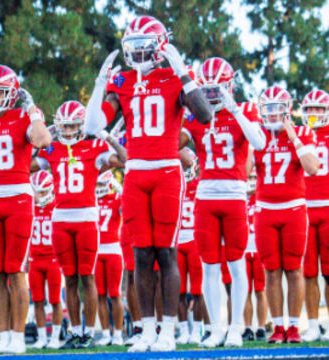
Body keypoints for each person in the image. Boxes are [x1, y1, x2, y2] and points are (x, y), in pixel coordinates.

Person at [85, 15, 212, 352]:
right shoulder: (123, 81)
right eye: (134, 48)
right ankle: (147, 329)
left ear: (159, 48)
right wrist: (100, 84)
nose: (139, 55)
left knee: (166, 253)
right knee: (141, 256)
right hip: (136, 173)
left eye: (145, 48)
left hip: (168, 171)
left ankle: (169, 330)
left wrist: (184, 72)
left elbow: (204, 115)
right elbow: (93, 125)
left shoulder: (173, 76)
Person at [180, 57, 266, 347]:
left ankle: (237, 326)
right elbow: (174, 138)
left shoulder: (245, 110)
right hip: (205, 196)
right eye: (209, 90)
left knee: (238, 262)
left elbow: (259, 142)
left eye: (218, 89)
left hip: (234, 195)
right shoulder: (195, 116)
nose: (213, 95)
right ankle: (216, 327)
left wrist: (233, 109)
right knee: (210, 266)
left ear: (230, 86)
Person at [0, 64, 51, 354]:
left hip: (17, 198)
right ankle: (2, 335)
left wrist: (34, 112)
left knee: (16, 270)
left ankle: (18, 336)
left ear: (12, 94)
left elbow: (43, 140)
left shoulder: (22, 116)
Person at [32, 100, 125, 349]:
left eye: (73, 125)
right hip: (61, 219)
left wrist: (109, 138)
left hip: (85, 218)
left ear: (82, 126)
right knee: (70, 278)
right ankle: (75, 331)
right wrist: (41, 136)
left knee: (88, 277)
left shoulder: (94, 146)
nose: (68, 131)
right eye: (64, 126)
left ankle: (89, 331)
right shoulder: (51, 149)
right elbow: (25, 167)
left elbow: (125, 159)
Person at [251, 85, 319, 343]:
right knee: (271, 271)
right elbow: (245, 169)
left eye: (277, 108)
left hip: (293, 209)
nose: (272, 114)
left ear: (287, 110)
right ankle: (277, 327)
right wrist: (249, 141)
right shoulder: (258, 135)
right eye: (267, 109)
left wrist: (292, 135)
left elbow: (312, 167)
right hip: (265, 210)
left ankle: (293, 326)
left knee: (294, 270)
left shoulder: (301, 131)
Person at [301, 89, 329, 342]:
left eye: (318, 109)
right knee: (309, 272)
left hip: (328, 207)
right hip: (305, 209)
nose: (314, 114)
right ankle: (311, 324)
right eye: (309, 109)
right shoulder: (299, 136)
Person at [29, 170, 63, 349]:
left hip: (53, 260)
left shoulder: (58, 205)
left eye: (42, 192)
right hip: (35, 260)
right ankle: (42, 337)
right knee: (38, 300)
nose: (38, 196)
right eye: (36, 191)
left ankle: (55, 337)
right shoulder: (28, 205)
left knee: (56, 300)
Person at [176, 147, 205, 345]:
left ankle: (197, 328)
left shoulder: (199, 185)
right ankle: (184, 329)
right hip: (176, 241)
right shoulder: (171, 185)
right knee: (178, 291)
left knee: (197, 290)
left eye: (185, 164)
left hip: (195, 240)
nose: (183, 168)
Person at [95, 170, 124, 346]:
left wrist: (118, 187)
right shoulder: (92, 201)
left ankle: (119, 334)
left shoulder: (116, 199)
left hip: (113, 249)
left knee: (115, 294)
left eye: (101, 184)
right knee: (100, 294)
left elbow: (129, 200)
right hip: (96, 251)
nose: (98, 188)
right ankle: (105, 333)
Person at [242, 170, 268, 342]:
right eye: (249, 178)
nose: (252, 181)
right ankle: (247, 326)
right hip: (243, 248)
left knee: (260, 290)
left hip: (259, 247)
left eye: (254, 178)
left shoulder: (263, 197)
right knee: (245, 291)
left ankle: (261, 326)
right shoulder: (241, 197)